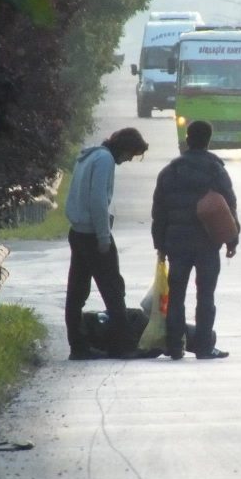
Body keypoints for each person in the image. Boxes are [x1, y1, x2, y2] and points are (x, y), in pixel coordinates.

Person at [151, 120, 240, 360]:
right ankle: (203, 346)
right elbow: (228, 205)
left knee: (176, 295)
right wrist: (232, 239)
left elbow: (159, 210)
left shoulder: (170, 171)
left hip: (176, 243)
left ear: (187, 139)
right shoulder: (215, 170)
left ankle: (174, 346)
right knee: (206, 295)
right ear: (208, 140)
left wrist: (159, 243)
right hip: (207, 242)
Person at [65, 127, 149, 360]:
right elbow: (98, 200)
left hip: (78, 231)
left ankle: (78, 346)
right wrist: (103, 236)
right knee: (113, 290)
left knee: (77, 291)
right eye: (131, 154)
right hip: (93, 234)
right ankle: (122, 345)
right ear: (124, 148)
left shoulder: (89, 156)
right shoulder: (105, 160)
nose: (129, 159)